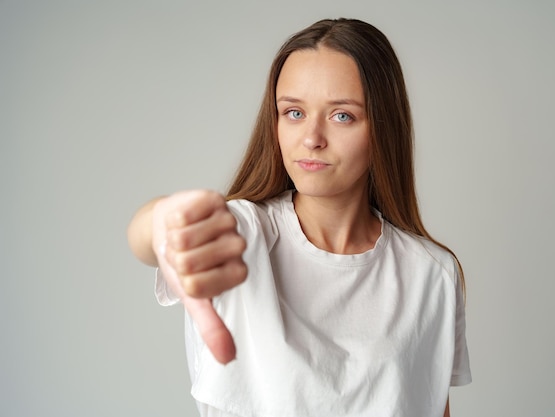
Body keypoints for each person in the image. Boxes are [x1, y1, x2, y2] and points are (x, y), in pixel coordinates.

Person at [127, 17, 471, 417]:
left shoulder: (432, 274)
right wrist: (163, 225)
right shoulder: (244, 236)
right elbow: (151, 233)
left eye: (342, 115)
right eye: (293, 112)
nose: (311, 138)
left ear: (383, 127)